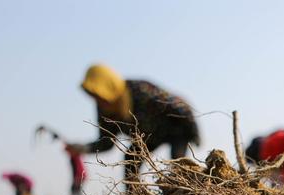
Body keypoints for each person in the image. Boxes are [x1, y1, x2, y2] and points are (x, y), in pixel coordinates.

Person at [65, 64, 201, 186]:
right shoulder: (104, 111)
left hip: (175, 128)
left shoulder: (140, 90)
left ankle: (187, 194)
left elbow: (179, 105)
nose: (98, 100)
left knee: (179, 163)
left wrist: (194, 133)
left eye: (98, 93)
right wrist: (82, 148)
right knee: (130, 159)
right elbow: (106, 143)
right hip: (146, 138)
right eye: (93, 95)